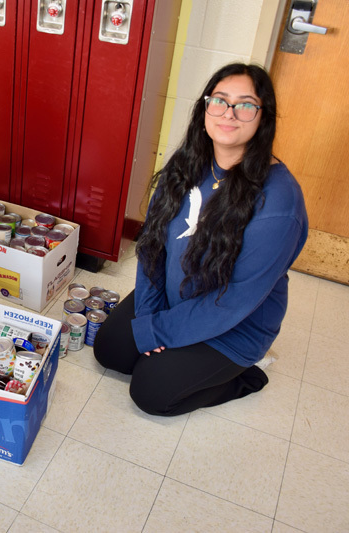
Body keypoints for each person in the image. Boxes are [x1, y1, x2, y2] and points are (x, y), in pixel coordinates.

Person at [93, 63, 308, 416]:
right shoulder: (189, 163)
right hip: (177, 299)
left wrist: (159, 331)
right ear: (205, 107)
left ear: (263, 117)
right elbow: (152, 247)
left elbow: (235, 299)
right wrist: (150, 314)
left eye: (246, 105)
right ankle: (174, 343)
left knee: (151, 392)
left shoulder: (280, 202)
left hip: (234, 323)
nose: (230, 113)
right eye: (220, 101)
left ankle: (245, 377)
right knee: (111, 351)